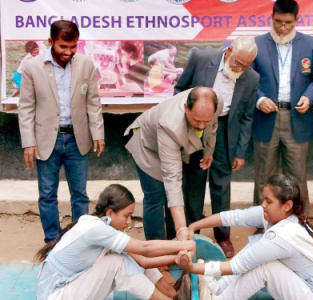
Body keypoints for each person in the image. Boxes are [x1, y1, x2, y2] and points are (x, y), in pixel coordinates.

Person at [175, 174, 313, 300]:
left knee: (265, 266)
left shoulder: (284, 235)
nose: (263, 204)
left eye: (268, 201)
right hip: (306, 285)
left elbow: (236, 266)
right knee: (258, 248)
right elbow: (232, 217)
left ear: (287, 206)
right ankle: (218, 288)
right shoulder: (277, 215)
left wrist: (192, 267)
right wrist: (194, 226)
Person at [18, 20, 105, 243]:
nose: (68, 52)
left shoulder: (85, 64)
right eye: (63, 47)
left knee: (80, 195)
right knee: (47, 195)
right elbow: (26, 107)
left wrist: (98, 133)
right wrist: (28, 141)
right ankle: (52, 242)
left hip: (78, 139)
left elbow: (93, 102)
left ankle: (79, 241)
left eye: (73, 47)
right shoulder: (32, 67)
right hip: (47, 140)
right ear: (51, 42)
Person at [174, 36, 259, 258]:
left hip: (225, 131)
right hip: (196, 126)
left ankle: (223, 236)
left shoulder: (251, 78)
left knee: (221, 187)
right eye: (237, 63)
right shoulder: (201, 58)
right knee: (194, 182)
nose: (240, 69)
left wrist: (240, 151)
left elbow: (247, 118)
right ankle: (194, 233)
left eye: (245, 66)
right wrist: (185, 121)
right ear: (229, 51)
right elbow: (180, 89)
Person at [35, 184, 196, 300]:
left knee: (126, 260)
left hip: (70, 290)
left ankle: (171, 294)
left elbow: (143, 261)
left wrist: (176, 259)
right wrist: (185, 244)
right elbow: (145, 248)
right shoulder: (97, 229)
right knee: (117, 263)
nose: (129, 221)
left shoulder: (105, 228)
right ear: (110, 213)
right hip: (56, 295)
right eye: (127, 215)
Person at [252, 0, 313, 218]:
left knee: (297, 176)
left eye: (288, 23)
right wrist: (259, 99)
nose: (282, 28)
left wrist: (309, 97)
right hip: (266, 118)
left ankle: (300, 222)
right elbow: (246, 80)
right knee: (264, 175)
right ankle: (263, 222)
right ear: (271, 17)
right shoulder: (257, 44)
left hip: (298, 118)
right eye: (278, 22)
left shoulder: (310, 44)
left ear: (296, 20)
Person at [124, 86, 223, 242]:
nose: (202, 126)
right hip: (148, 147)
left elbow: (213, 126)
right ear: (186, 108)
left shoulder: (216, 101)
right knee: (156, 196)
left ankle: (174, 240)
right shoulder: (170, 124)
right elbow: (172, 178)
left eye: (206, 120)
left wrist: (208, 151)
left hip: (174, 146)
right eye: (197, 120)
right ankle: (156, 248)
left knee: (177, 193)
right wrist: (183, 228)